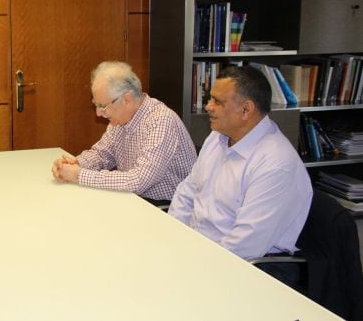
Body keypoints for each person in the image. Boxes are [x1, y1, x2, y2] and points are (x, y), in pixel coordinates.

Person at [168, 65, 312, 263]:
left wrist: (191, 262)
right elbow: (187, 192)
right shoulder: (217, 138)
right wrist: (173, 238)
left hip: (244, 268)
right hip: (199, 249)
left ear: (246, 109)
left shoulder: (276, 164)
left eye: (217, 102)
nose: (208, 106)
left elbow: (244, 245)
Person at [51, 61, 196, 204]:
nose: (98, 113)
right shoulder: (119, 119)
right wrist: (75, 163)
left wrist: (78, 175)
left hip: (168, 208)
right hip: (136, 199)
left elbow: (138, 181)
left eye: (103, 106)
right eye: (96, 105)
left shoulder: (161, 120)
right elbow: (102, 154)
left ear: (126, 99)